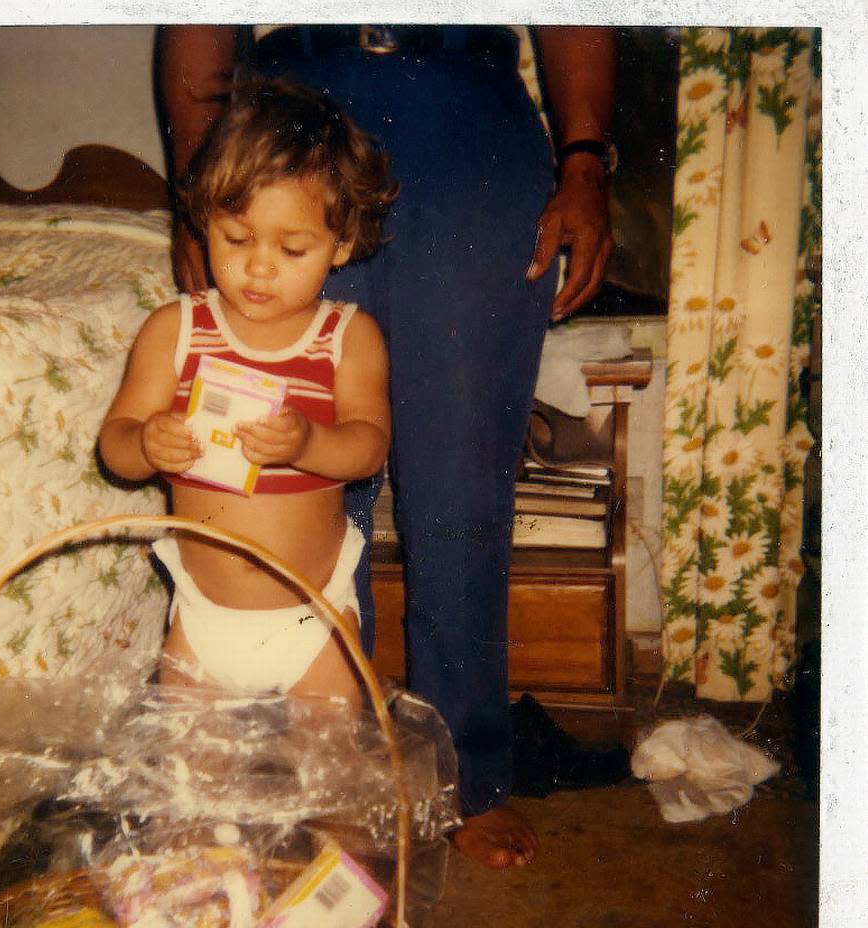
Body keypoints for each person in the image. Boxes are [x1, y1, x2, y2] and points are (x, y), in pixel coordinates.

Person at [156, 24, 615, 869]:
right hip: (294, 108)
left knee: (463, 481)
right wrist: (199, 185)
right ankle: (316, 772)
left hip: (466, 117)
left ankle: (466, 777)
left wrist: (584, 160)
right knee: (293, 467)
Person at [98, 76, 398, 705]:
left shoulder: (348, 336)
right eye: (236, 239)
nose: (260, 266)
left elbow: (368, 448)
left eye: (292, 248)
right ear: (205, 219)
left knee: (333, 775)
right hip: (203, 618)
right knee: (191, 785)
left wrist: (307, 442)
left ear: (340, 245)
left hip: (312, 616)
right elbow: (115, 449)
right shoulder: (175, 330)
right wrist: (147, 443)